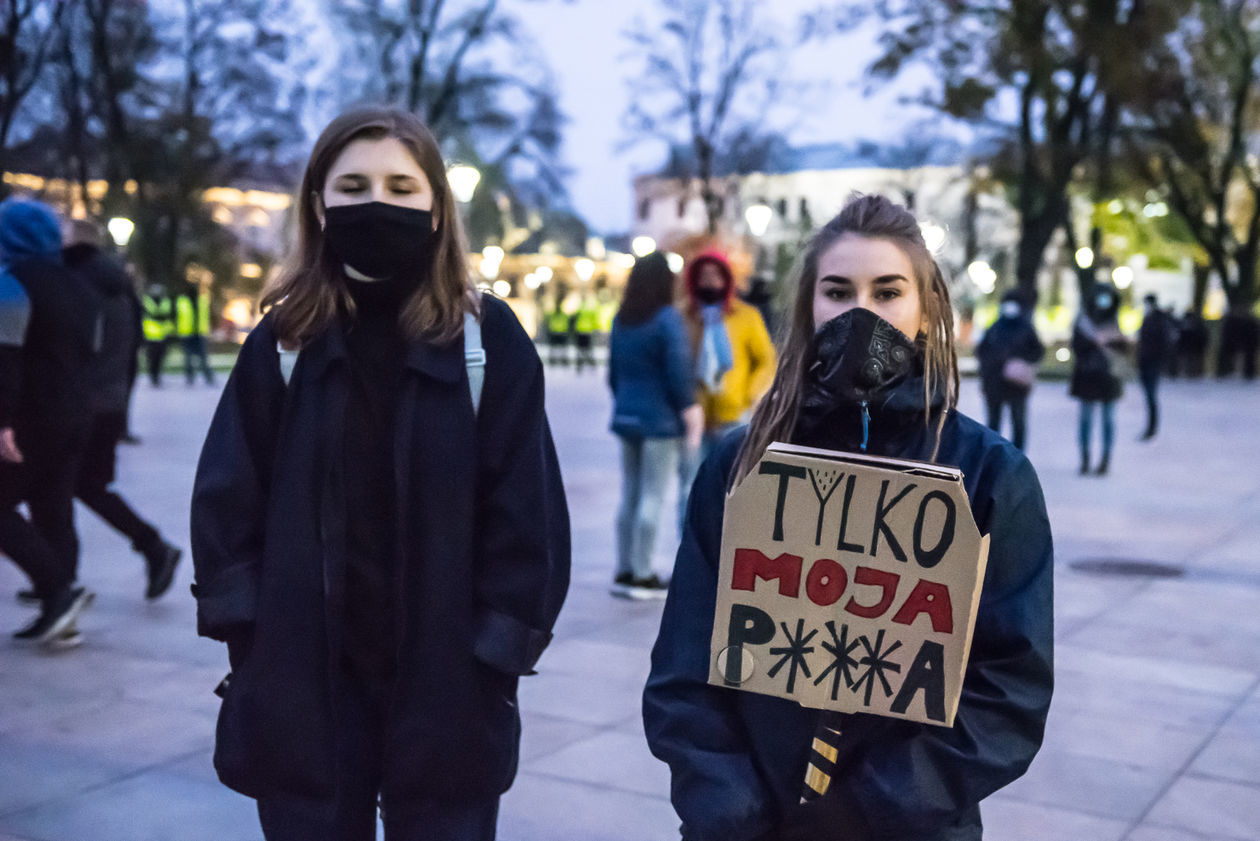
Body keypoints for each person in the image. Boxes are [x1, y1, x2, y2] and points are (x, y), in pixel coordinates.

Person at [190, 105, 571, 841]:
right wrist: (253, 643)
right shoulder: (284, 340)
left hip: (447, 684)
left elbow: (529, 515)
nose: (378, 203)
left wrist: (493, 659)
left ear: (436, 209)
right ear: (320, 204)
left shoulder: (489, 343)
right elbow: (228, 496)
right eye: (354, 184)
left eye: (402, 186)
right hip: (306, 680)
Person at [644, 194, 1053, 841]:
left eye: (887, 291)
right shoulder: (740, 465)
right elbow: (684, 667)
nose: (861, 312)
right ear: (810, 305)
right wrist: (727, 808)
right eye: (838, 290)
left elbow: (1009, 689)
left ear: (925, 310)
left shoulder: (991, 477)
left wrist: (873, 806)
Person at [63, 219, 182, 599]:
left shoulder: (76, 282)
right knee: (82, 486)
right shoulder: (118, 285)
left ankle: (56, 581)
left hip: (79, 401)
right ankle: (56, 578)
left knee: (65, 487)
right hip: (109, 400)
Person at [0, 197, 98, 645]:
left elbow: (7, 358)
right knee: (53, 510)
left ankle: (57, 591)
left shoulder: (13, 283)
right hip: (76, 414)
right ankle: (63, 617)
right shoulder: (79, 286)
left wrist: (3, 421)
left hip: (29, 416)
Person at [607, 252, 701, 600]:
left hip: (625, 415)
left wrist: (623, 403)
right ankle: (643, 575)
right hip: (660, 420)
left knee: (629, 494)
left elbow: (614, 373)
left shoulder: (622, 319)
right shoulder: (666, 320)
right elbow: (678, 371)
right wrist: (689, 410)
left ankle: (625, 568)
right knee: (652, 495)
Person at [676, 250, 776, 526]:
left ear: (726, 279)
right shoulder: (683, 317)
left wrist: (752, 394)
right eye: (704, 275)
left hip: (734, 415)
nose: (710, 281)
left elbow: (766, 360)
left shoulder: (745, 316)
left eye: (715, 275)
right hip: (694, 419)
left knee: (735, 489)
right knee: (690, 489)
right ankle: (688, 547)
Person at [1069, 282, 1129, 475]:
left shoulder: (1114, 321)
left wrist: (1116, 340)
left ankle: (1105, 459)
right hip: (1087, 376)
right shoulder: (1083, 321)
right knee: (1086, 420)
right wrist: (1095, 342)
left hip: (1109, 378)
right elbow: (1077, 347)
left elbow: (1123, 351)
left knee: (1108, 420)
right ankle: (1085, 458)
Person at [974, 290, 1045, 450]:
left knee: (1018, 422)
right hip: (994, 384)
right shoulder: (995, 327)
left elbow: (1038, 351)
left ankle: (1018, 457)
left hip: (1016, 385)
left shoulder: (1026, 328)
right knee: (993, 424)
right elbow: (981, 352)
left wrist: (1020, 361)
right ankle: (992, 457)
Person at [1136, 293, 1176, 441]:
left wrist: (1161, 361)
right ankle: (1150, 427)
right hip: (1146, 362)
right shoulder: (1148, 319)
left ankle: (1152, 428)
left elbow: (1165, 342)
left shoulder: (1159, 320)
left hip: (1153, 363)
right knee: (1149, 396)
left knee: (1151, 396)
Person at [174, 280, 215, 385]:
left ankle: (209, 377)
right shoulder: (182, 301)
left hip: (200, 333)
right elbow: (176, 317)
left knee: (203, 357)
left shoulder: (202, 300)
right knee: (188, 358)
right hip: (187, 333)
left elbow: (208, 316)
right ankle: (190, 377)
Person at [140, 285, 174, 386]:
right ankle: (153, 377)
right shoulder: (147, 302)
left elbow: (169, 316)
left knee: (159, 358)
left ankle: (157, 376)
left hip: (163, 335)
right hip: (151, 335)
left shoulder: (165, 302)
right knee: (152, 359)